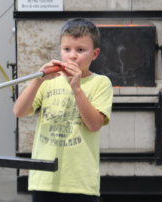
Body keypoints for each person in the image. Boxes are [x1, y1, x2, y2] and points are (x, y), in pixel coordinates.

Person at [13, 18, 113, 202]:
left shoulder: (101, 83)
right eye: (67, 49)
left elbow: (94, 125)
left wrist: (76, 88)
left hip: (80, 181)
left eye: (80, 50)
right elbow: (19, 111)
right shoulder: (48, 81)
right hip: (44, 178)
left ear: (95, 53)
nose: (72, 56)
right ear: (60, 50)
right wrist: (37, 80)